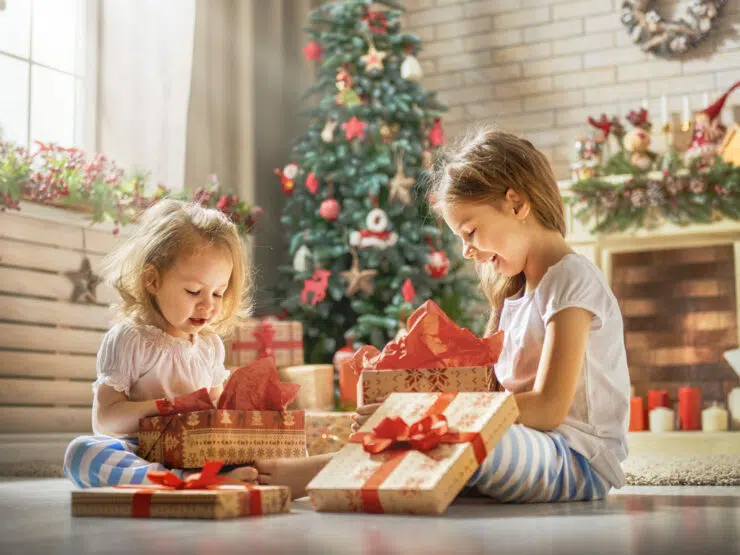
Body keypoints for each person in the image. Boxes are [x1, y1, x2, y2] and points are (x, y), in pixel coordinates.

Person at [350, 127, 631, 503]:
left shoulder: (571, 278)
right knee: (425, 436)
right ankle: (317, 473)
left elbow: (548, 408)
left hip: (576, 459)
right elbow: (495, 399)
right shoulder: (514, 298)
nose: (467, 251)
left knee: (446, 435)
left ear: (516, 204)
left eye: (470, 231)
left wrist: (430, 414)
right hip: (525, 446)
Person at [63, 199, 257, 487]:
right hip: (142, 450)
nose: (208, 305)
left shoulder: (210, 345)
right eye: (194, 291)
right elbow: (105, 421)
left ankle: (211, 476)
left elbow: (219, 409)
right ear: (152, 280)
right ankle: (183, 480)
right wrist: (169, 406)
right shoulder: (131, 339)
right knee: (82, 453)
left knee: (267, 447)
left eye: (218, 294)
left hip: (195, 449)